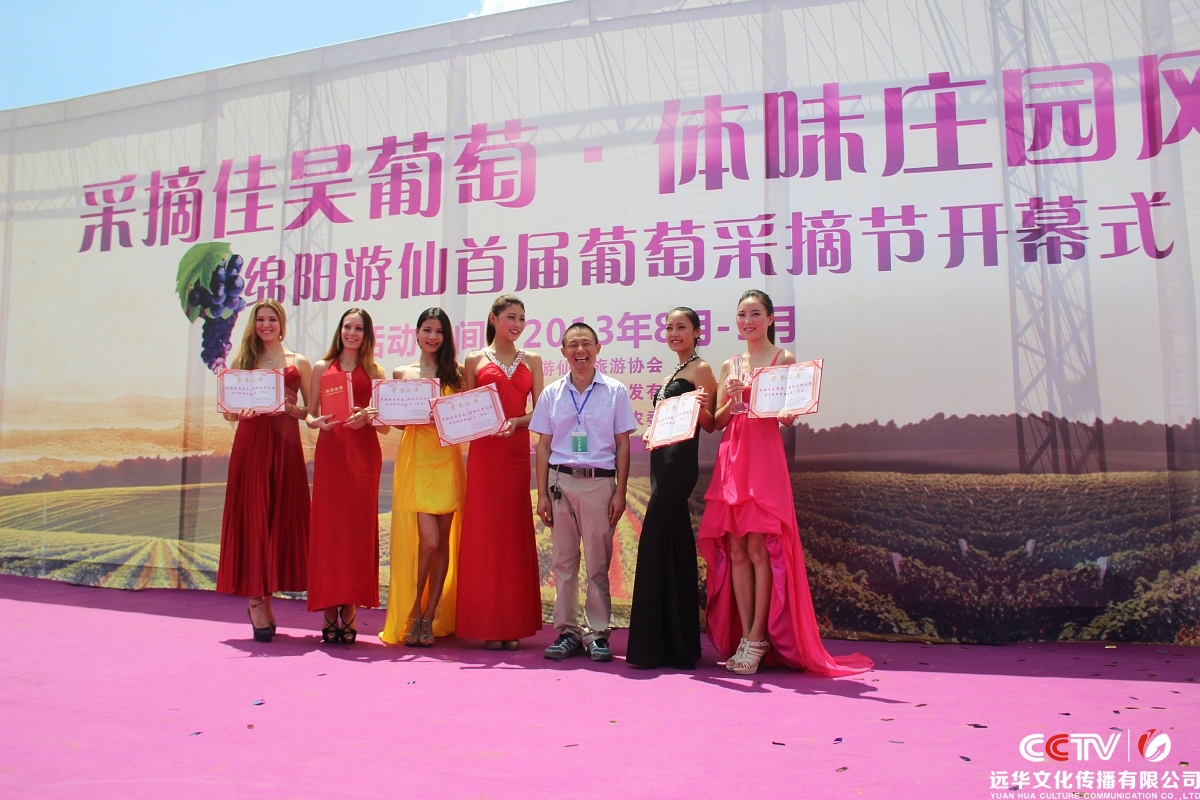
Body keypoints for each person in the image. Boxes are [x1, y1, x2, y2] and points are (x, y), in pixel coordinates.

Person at [699, 290, 873, 676]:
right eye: (742, 314)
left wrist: (788, 410)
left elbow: (788, 415)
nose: (748, 321)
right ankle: (745, 636)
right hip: (732, 457)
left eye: (755, 314)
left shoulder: (784, 359)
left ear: (771, 319)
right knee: (737, 550)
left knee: (759, 548)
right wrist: (730, 399)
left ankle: (758, 637)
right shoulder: (729, 364)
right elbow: (719, 421)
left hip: (763, 458)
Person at [531, 322, 637, 662]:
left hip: (599, 483)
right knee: (563, 563)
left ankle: (597, 633)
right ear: (563, 352)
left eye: (586, 343)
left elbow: (623, 444)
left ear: (598, 348)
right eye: (573, 345)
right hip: (560, 483)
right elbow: (543, 446)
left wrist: (620, 491)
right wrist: (542, 493)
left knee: (597, 563)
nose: (580, 350)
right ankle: (567, 631)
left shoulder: (615, 391)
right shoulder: (552, 393)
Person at [216, 299, 313, 643]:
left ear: (282, 323)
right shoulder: (243, 361)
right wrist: (237, 413)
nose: (266, 324)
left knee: (278, 519)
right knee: (254, 519)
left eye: (272, 319)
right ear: (253, 324)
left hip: (286, 448)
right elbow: (228, 412)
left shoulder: (299, 361)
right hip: (252, 445)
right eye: (260, 319)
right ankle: (256, 602)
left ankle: (267, 599)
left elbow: (310, 411)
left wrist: (289, 408)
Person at [626, 308, 716, 669]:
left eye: (682, 327)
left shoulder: (701, 369)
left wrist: (699, 406)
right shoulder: (671, 375)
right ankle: (673, 643)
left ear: (697, 332)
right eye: (669, 328)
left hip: (680, 465)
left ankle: (663, 643)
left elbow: (710, 423)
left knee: (658, 539)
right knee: (670, 542)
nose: (674, 333)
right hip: (660, 460)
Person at [456, 295, 545, 650]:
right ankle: (488, 623)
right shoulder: (474, 359)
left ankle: (513, 623)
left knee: (512, 535)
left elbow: (541, 412)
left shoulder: (533, 360)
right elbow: (466, 408)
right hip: (484, 455)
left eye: (522, 318)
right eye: (511, 317)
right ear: (494, 319)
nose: (517, 324)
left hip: (515, 454)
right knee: (484, 536)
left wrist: (516, 423)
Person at [380, 308, 466, 648]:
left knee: (442, 543)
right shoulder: (402, 373)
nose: (433, 336)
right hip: (415, 460)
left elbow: (464, 418)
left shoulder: (457, 373)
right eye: (427, 330)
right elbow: (399, 423)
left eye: (439, 331)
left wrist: (443, 417)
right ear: (416, 333)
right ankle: (413, 610)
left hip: (446, 460)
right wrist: (389, 414)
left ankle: (429, 616)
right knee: (427, 542)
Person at [305, 307, 387, 644]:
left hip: (364, 457)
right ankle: (328, 608)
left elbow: (385, 425)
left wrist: (369, 416)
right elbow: (310, 414)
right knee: (329, 531)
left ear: (367, 335)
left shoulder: (375, 370)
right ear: (339, 331)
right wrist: (316, 422)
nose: (352, 333)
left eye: (358, 328)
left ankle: (350, 608)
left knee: (357, 531)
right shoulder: (322, 367)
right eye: (347, 327)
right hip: (332, 455)